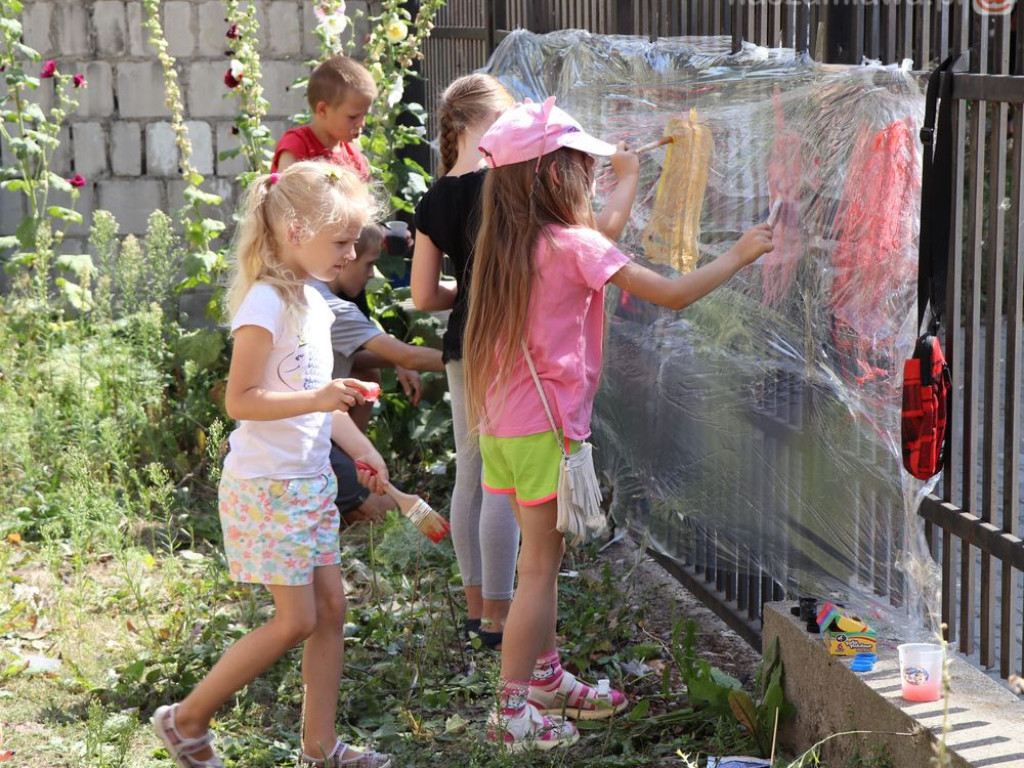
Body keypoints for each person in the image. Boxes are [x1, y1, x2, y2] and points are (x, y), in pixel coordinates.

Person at [462, 97, 775, 751]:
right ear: (554, 177)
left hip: (506, 429)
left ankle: (546, 678)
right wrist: (740, 254)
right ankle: (512, 709)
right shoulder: (573, 245)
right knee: (539, 572)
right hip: (545, 432)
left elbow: (595, 241)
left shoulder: (508, 242)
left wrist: (623, 174)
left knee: (537, 563)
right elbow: (673, 293)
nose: (594, 178)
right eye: (585, 167)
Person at [151, 161, 393, 768]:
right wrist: (318, 397)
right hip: (268, 489)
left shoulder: (313, 303)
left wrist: (362, 448)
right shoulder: (265, 302)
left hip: (308, 483)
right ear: (293, 229)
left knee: (332, 610)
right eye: (340, 242)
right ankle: (184, 719)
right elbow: (242, 401)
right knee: (295, 619)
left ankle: (321, 746)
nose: (349, 254)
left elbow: (316, 399)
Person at [411, 74, 644, 651]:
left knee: (477, 478)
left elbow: (423, 297)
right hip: (528, 364)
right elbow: (596, 239)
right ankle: (503, 618)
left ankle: (478, 609)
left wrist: (468, 297)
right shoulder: (515, 185)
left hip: (472, 345)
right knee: (512, 507)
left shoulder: (438, 196)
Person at [310, 224, 444, 523]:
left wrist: (393, 359)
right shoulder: (333, 308)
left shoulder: (310, 287)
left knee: (367, 371)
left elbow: (355, 352)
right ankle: (341, 491)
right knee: (385, 513)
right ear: (346, 257)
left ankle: (342, 471)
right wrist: (472, 359)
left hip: (308, 423)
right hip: (305, 436)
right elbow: (408, 354)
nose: (372, 274)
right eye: (369, 263)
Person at [272, 55, 376, 180]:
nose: (361, 123)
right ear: (322, 110)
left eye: (365, 115)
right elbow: (283, 194)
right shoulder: (297, 145)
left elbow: (364, 197)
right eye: (353, 117)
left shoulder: (353, 156)